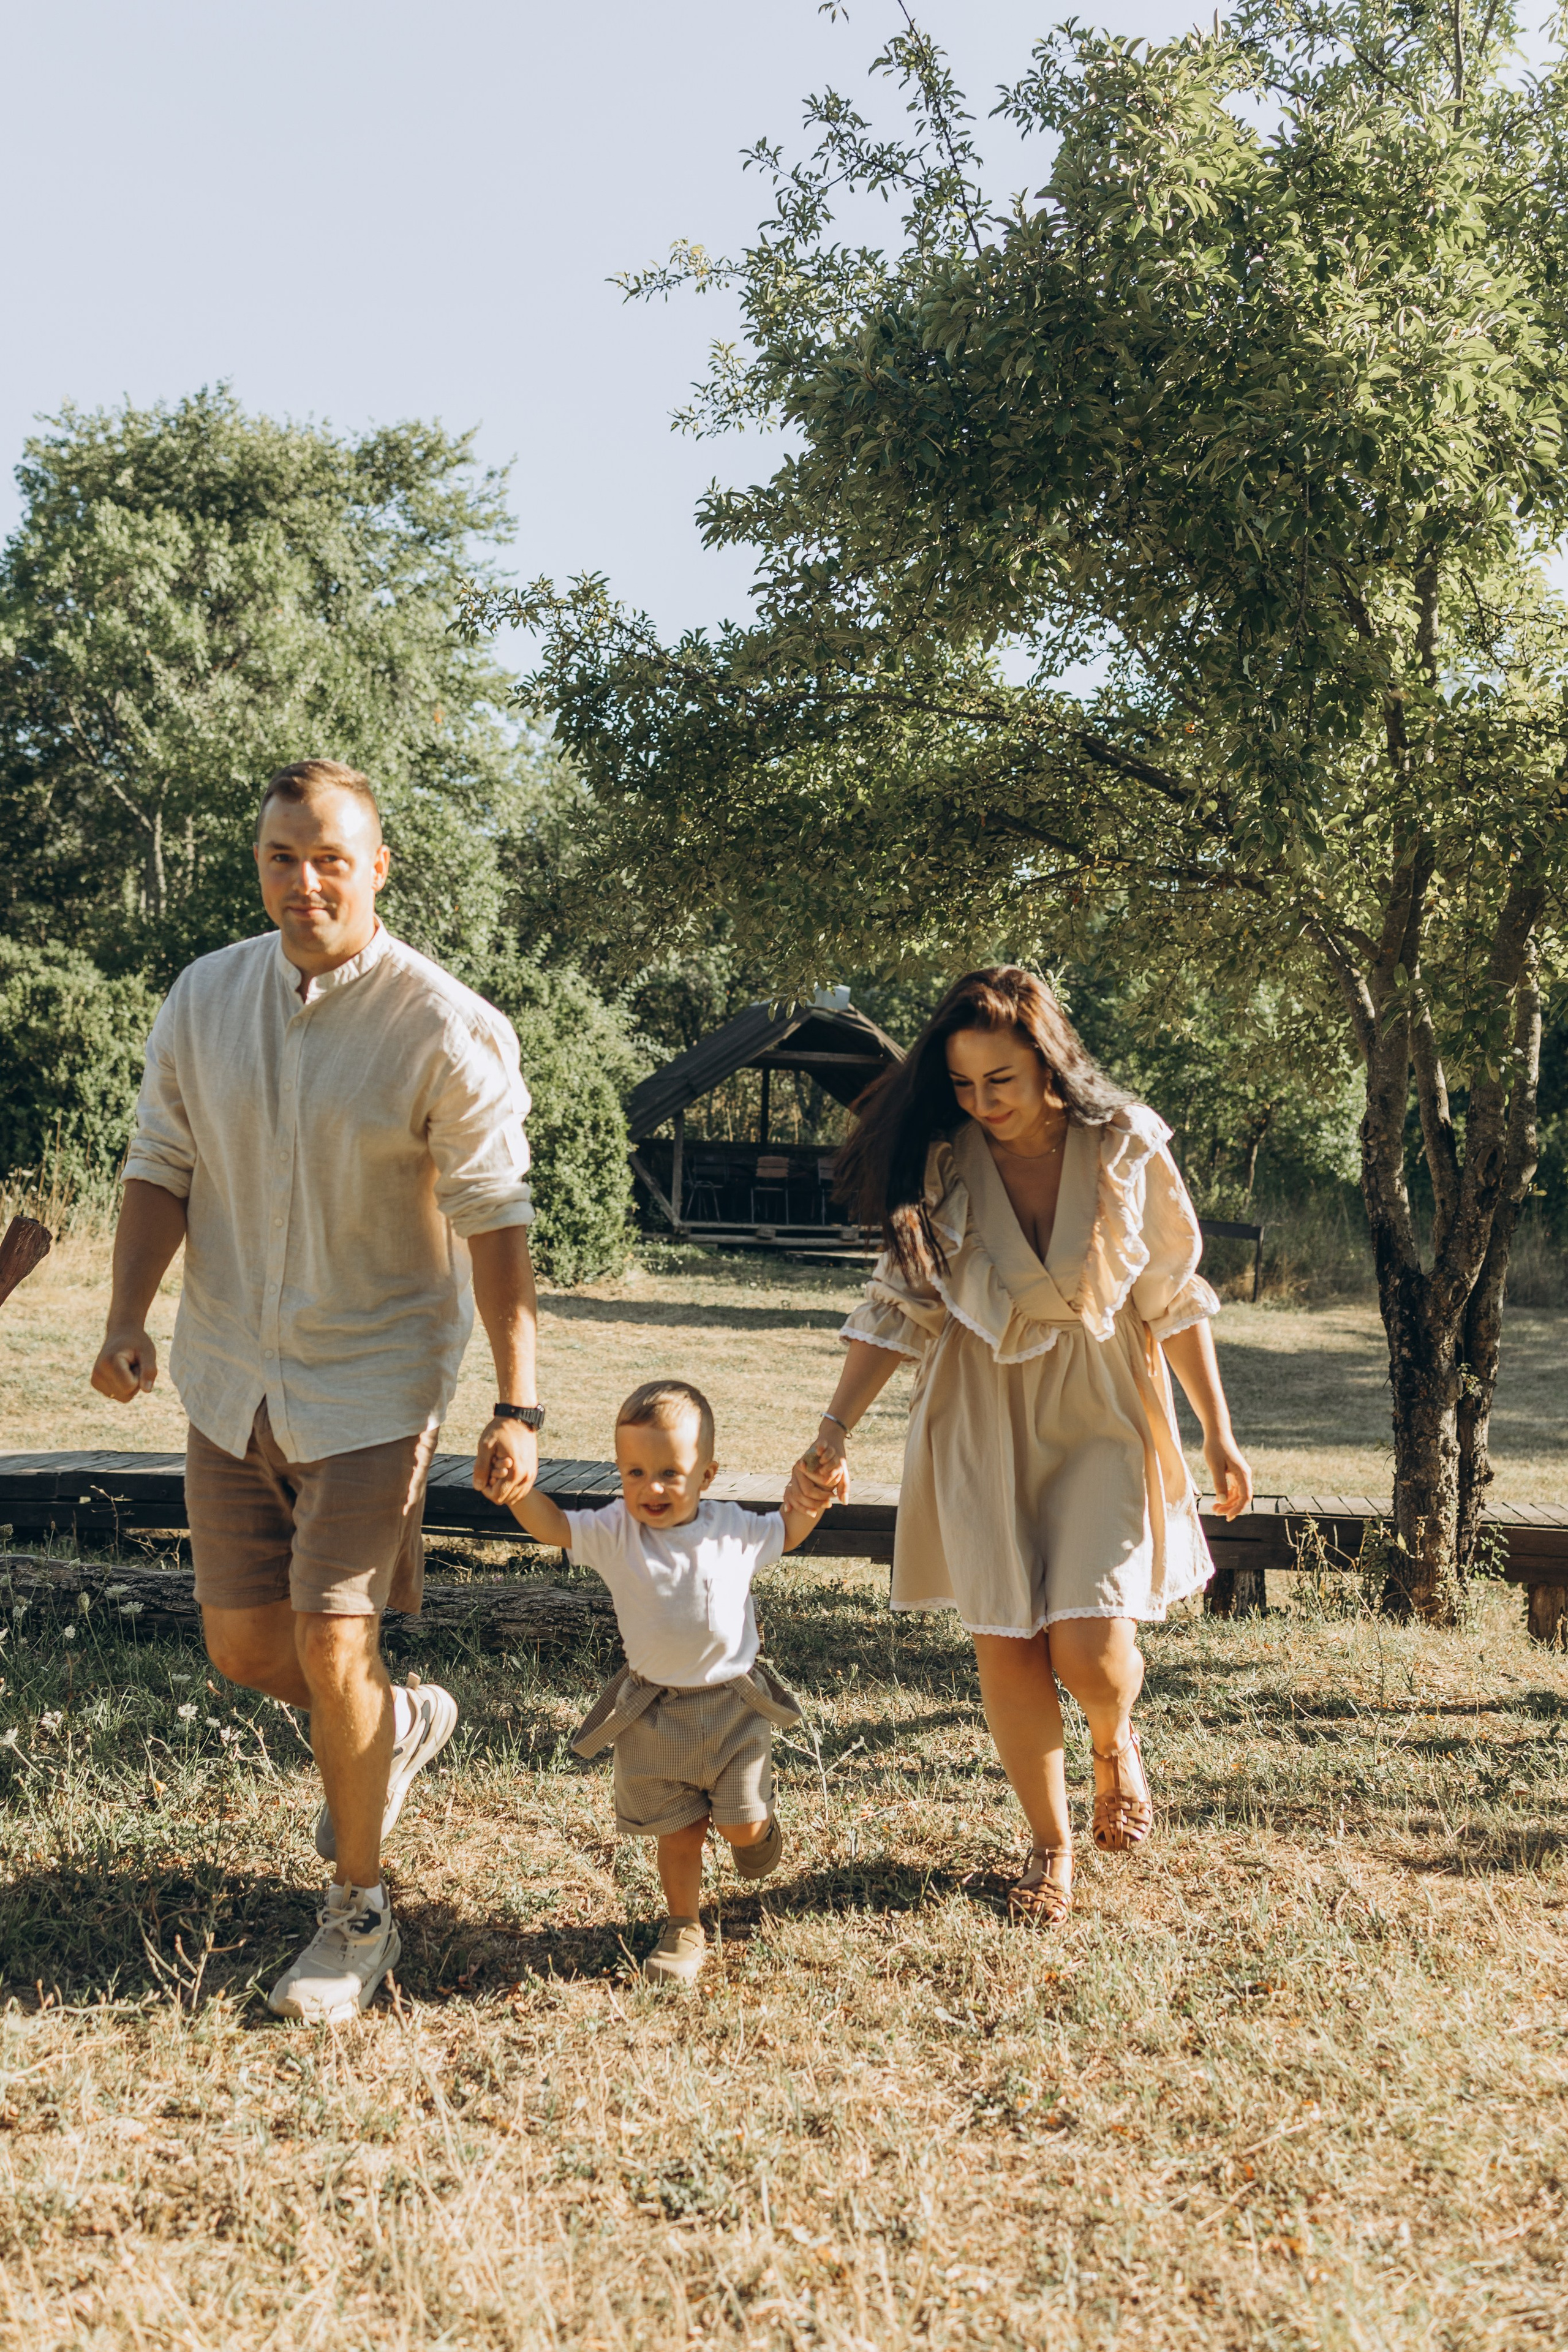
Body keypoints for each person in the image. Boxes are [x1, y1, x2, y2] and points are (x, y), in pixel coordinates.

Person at [91, 759, 543, 2023]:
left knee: (333, 1633)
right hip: (229, 1369)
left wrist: (517, 1402)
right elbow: (159, 1164)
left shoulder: (443, 1022)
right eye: (282, 857)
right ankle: (390, 1727)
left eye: (331, 857)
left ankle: (356, 1911)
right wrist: (128, 1315)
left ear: (378, 865)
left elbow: (496, 1218)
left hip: (372, 1380)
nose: (305, 881)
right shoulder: (205, 996)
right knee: (248, 1648)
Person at [787, 967, 1253, 1926]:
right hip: (978, 1404)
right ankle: (1051, 1846)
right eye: (962, 1085)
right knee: (1005, 1637)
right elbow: (899, 1306)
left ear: (1048, 1060)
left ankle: (1114, 1737)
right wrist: (831, 1433)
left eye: (999, 1081)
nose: (981, 1103)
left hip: (1106, 1402)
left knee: (1088, 1643)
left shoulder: (1126, 1142)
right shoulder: (942, 1162)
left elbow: (1174, 1295)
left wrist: (1219, 1435)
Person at [502, 1378, 829, 1987]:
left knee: (741, 1829)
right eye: (633, 1472)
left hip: (735, 1707)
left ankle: (754, 1827)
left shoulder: (733, 1529)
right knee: (677, 1835)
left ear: (706, 1475)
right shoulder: (614, 1531)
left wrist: (812, 1494)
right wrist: (518, 1490)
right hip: (652, 1713)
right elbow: (551, 1526)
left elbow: (788, 1529)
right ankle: (683, 1926)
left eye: (669, 1473)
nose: (650, 1488)